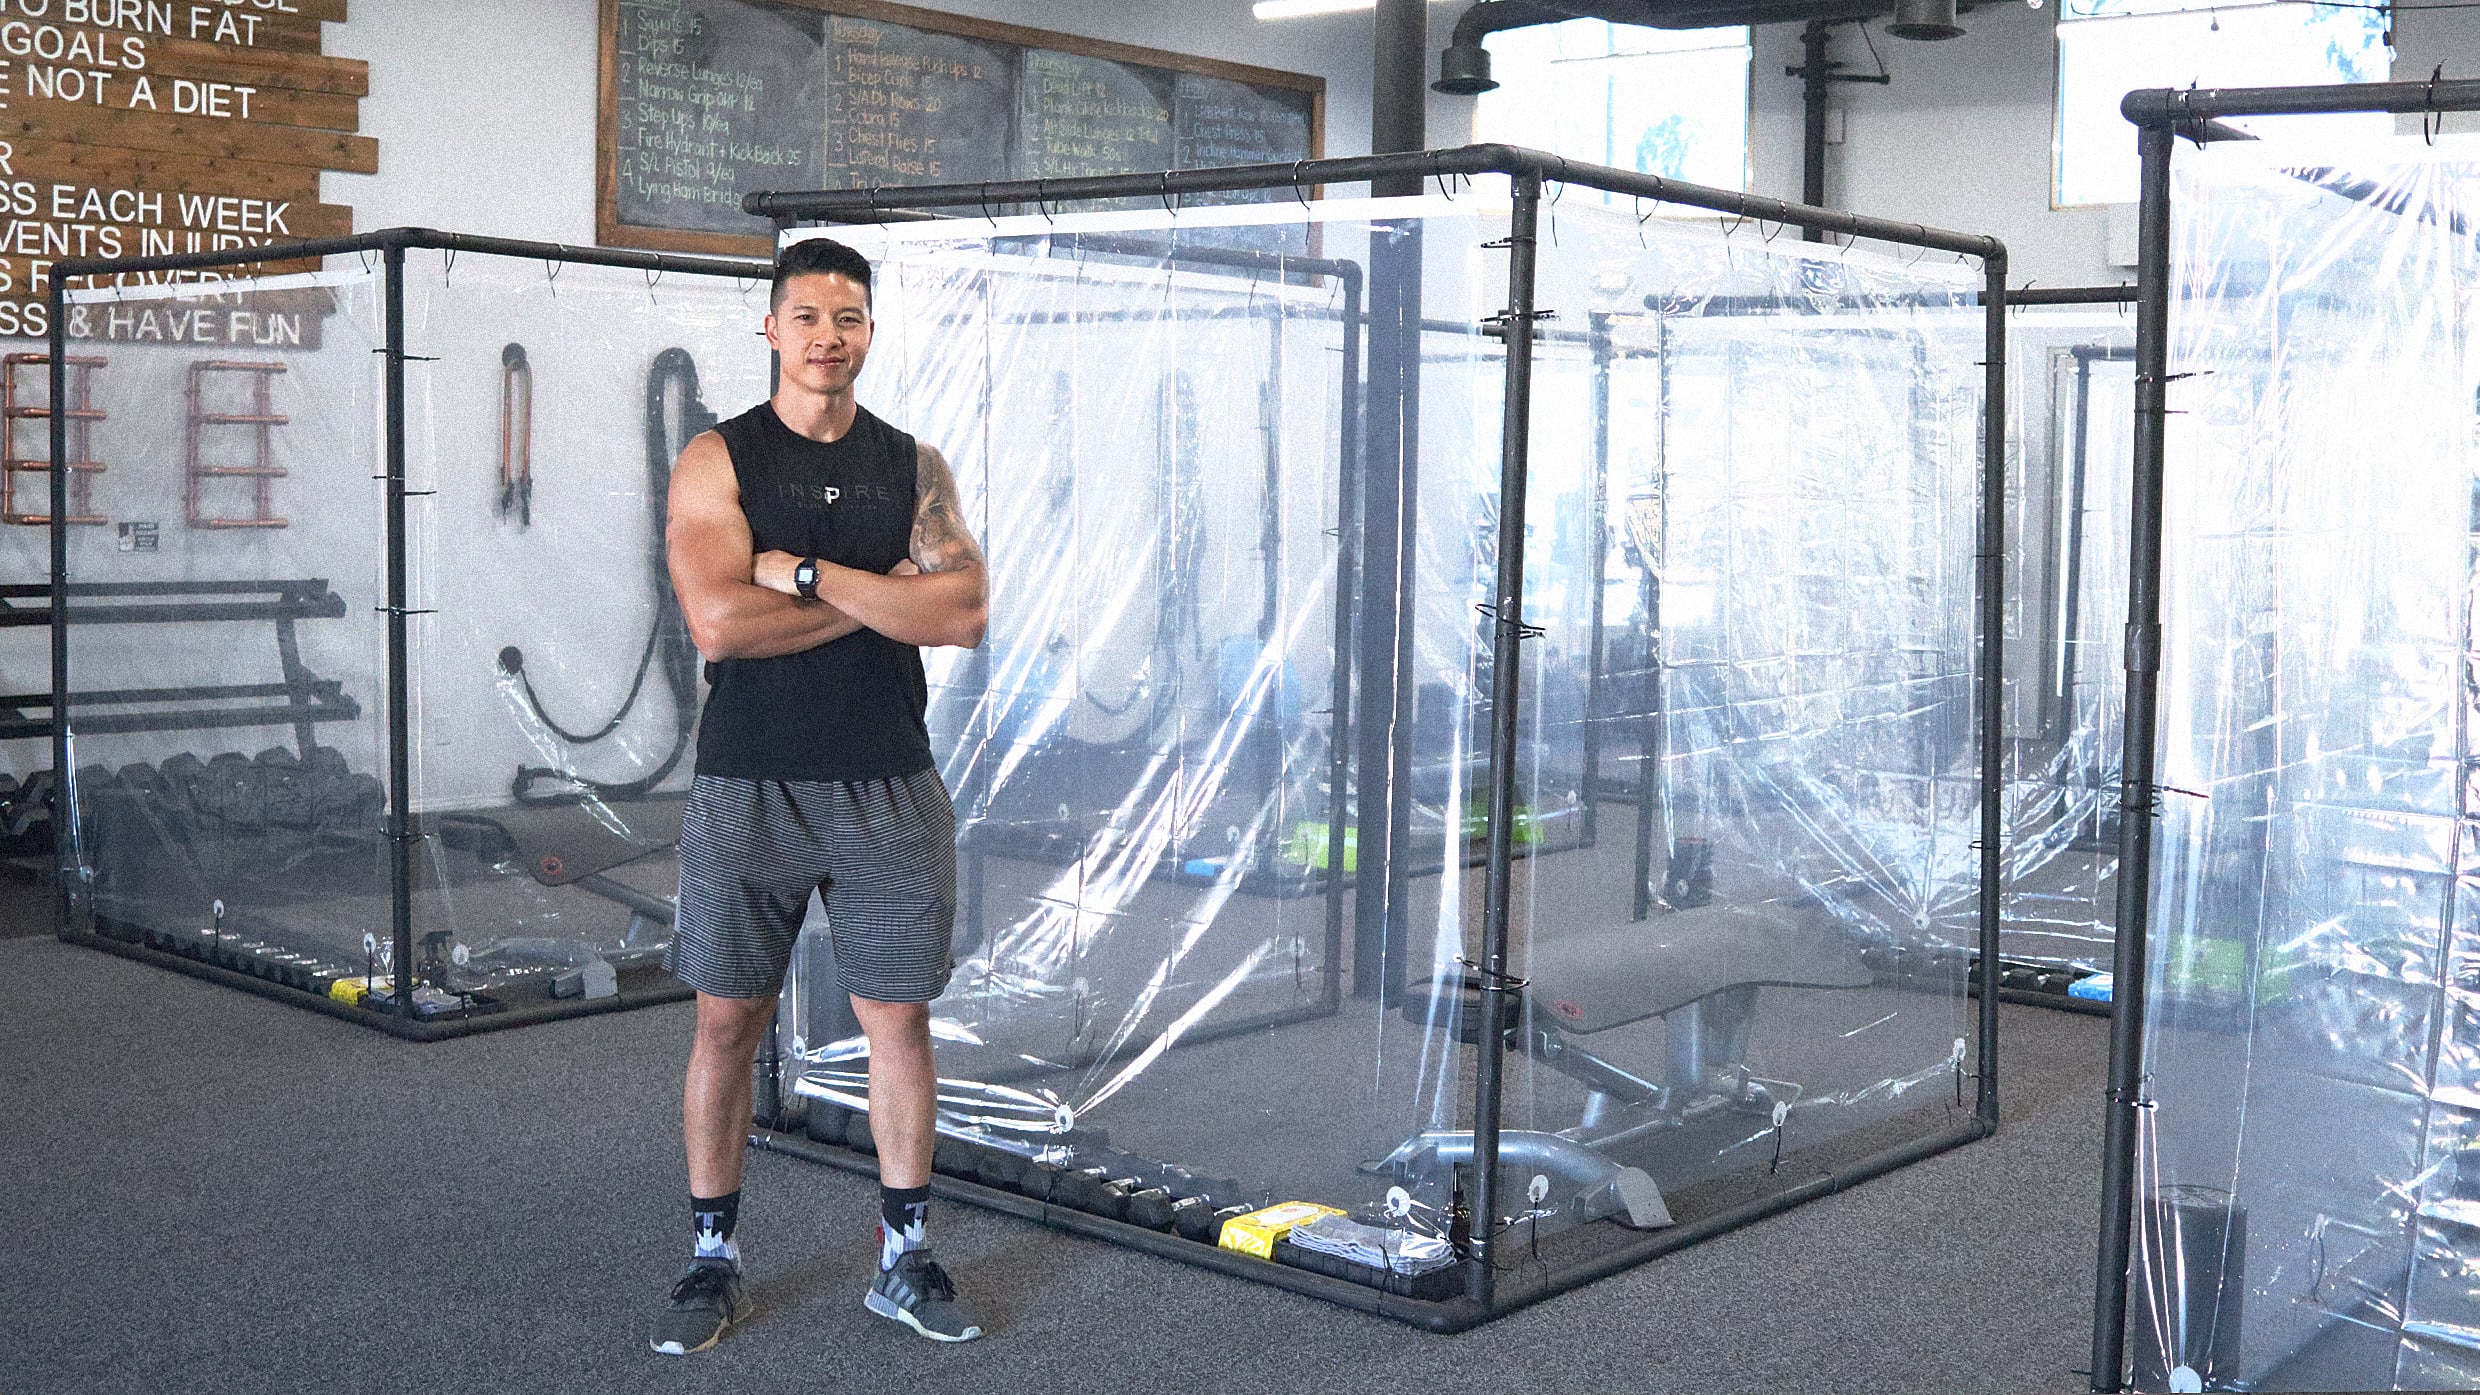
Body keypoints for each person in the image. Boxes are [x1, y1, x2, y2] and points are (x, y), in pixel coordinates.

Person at [649, 235, 989, 1355]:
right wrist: (885, 597)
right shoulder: (719, 459)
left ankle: (904, 1256)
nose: (826, 337)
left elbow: (962, 612)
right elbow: (717, 624)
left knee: (898, 1020)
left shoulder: (912, 466)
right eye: (806, 317)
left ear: (869, 332)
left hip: (889, 778)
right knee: (726, 1020)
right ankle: (712, 1258)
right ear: (771, 328)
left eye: (847, 318)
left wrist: (801, 575)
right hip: (749, 781)